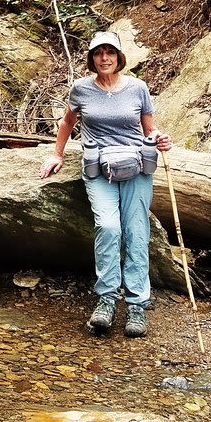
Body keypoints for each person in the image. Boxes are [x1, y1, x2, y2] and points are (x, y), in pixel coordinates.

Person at [39, 31, 172, 338]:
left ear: (119, 57)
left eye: (110, 52)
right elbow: (68, 123)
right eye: (99, 53)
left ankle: (137, 304)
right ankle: (107, 299)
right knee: (109, 227)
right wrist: (55, 154)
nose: (104, 58)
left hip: (137, 166)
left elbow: (149, 130)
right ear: (92, 58)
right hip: (98, 168)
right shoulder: (81, 89)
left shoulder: (138, 88)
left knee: (136, 231)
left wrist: (160, 139)